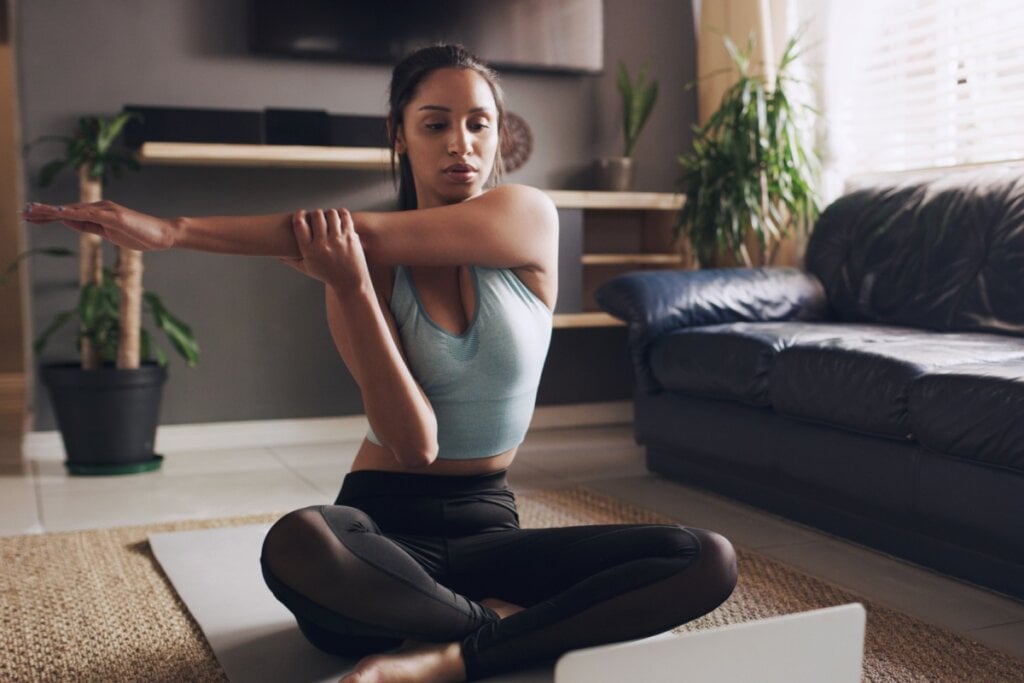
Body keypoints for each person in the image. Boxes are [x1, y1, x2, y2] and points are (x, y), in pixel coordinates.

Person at [23, 44, 737, 683]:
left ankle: (457, 649)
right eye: (435, 123)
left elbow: (352, 228)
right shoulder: (356, 269)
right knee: (301, 538)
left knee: (705, 557)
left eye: (480, 123)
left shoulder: (526, 217)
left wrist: (172, 230)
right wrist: (354, 285)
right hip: (378, 544)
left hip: (492, 531)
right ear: (398, 133)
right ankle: (501, 628)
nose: (462, 143)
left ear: (499, 134)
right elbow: (415, 440)